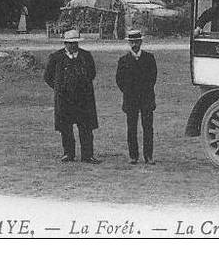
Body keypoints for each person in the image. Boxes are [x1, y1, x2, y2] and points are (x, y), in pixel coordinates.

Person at [44, 29, 101, 164]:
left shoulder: (86, 56)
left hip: (83, 99)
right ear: (65, 43)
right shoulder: (56, 57)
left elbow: (92, 74)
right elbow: (48, 77)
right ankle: (68, 153)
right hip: (64, 99)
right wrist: (59, 88)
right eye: (70, 43)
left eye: (75, 43)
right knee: (66, 127)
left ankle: (88, 155)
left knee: (86, 127)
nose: (72, 46)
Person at [115, 29, 157, 165]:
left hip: (146, 98)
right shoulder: (123, 60)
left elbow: (153, 78)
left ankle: (148, 156)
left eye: (137, 42)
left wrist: (145, 91)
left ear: (141, 42)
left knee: (148, 128)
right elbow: (119, 80)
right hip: (131, 99)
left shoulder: (149, 58)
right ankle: (133, 156)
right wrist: (128, 92)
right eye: (132, 42)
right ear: (129, 43)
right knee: (131, 128)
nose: (134, 45)